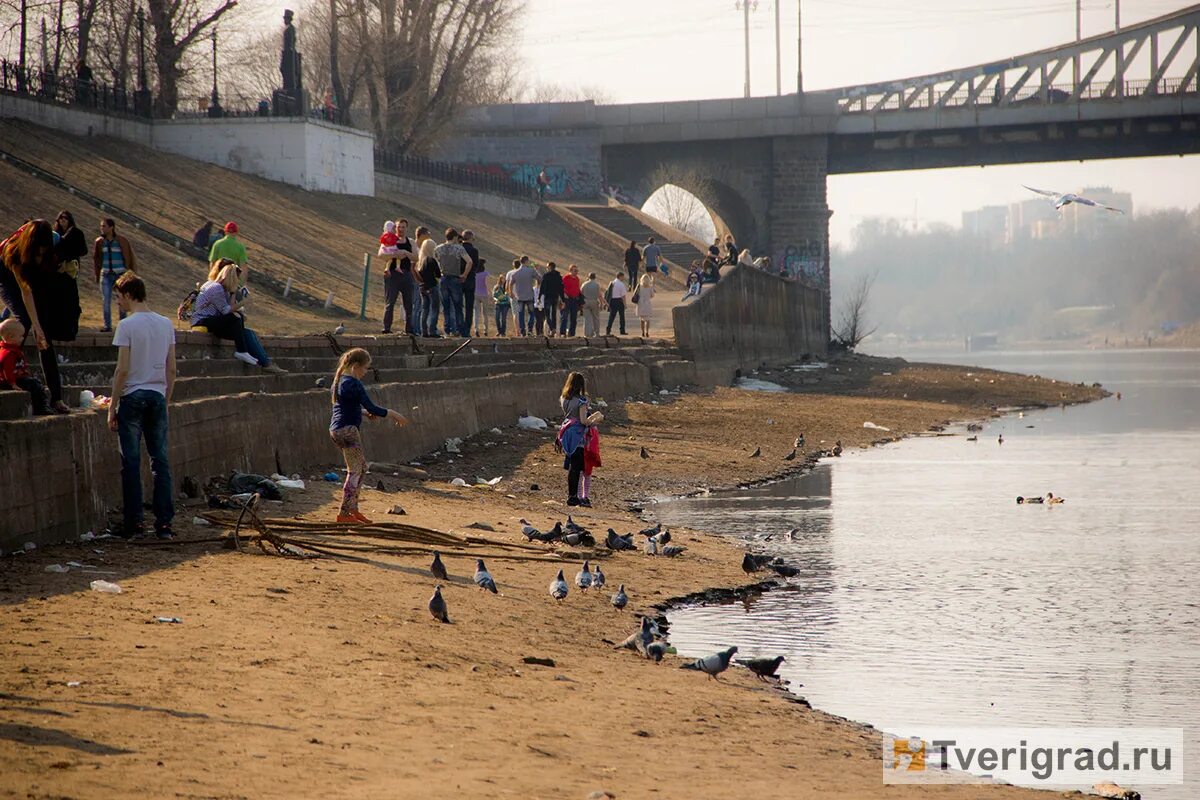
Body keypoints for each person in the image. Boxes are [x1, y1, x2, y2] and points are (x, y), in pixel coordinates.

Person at [107, 273, 176, 539]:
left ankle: (134, 523)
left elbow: (122, 369)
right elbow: (172, 369)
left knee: (132, 462)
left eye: (118, 297)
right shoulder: (165, 323)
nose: (118, 303)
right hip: (157, 395)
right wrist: (166, 401)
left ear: (126, 295)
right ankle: (164, 523)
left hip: (133, 396)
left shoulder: (127, 326)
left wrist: (112, 405)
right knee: (160, 461)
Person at [0, 219, 74, 413]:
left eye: (44, 252)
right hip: (6, 275)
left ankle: (56, 398)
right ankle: (7, 371)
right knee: (24, 321)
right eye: (38, 252)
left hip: (32, 273)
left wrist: (41, 328)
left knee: (45, 335)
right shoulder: (13, 251)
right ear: (31, 246)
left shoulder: (55, 239)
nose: (41, 255)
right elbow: (25, 292)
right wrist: (35, 325)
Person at [329, 348, 408, 525]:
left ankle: (353, 509)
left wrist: (363, 414)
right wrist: (393, 414)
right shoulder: (353, 383)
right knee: (355, 471)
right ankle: (344, 513)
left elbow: (345, 408)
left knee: (361, 468)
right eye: (365, 368)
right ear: (356, 366)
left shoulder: (338, 381)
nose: (365, 372)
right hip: (348, 431)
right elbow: (372, 407)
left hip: (337, 430)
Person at [190, 263, 285, 373]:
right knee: (236, 317)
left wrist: (233, 293)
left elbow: (228, 307)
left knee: (247, 332)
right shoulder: (216, 288)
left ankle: (266, 363)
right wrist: (242, 303)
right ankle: (242, 351)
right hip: (202, 321)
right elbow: (226, 310)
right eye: (236, 280)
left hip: (213, 321)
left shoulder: (221, 288)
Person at [557, 371, 601, 507]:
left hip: (566, 432)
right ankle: (574, 497)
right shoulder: (581, 401)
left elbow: (569, 416)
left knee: (572, 466)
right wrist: (595, 419)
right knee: (577, 467)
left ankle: (572, 495)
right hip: (578, 435)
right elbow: (583, 420)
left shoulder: (564, 399)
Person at [93, 218, 137, 332]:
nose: (102, 228)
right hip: (106, 274)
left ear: (111, 227)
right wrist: (97, 274)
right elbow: (97, 259)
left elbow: (130, 257)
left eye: (104, 226)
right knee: (106, 300)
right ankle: (107, 326)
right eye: (101, 226)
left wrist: (131, 274)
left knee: (122, 300)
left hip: (120, 274)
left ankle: (123, 326)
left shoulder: (121, 241)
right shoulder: (99, 242)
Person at [0, 318, 50, 415]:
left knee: (34, 382)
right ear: (11, 337)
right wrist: (12, 384)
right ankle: (41, 408)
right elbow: (7, 370)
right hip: (10, 381)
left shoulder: (13, 350)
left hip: (16, 379)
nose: (23, 338)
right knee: (35, 385)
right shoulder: (8, 353)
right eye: (21, 336)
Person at [435, 228, 472, 337]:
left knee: (446, 306)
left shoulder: (438, 249)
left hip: (443, 278)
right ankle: (461, 330)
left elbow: (435, 262)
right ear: (455, 237)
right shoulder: (458, 248)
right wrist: (464, 275)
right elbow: (470, 262)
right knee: (458, 306)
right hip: (455, 278)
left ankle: (448, 330)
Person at [416, 235, 442, 337]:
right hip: (432, 286)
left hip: (422, 287)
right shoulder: (432, 260)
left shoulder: (420, 261)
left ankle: (424, 331)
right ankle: (432, 330)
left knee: (425, 309)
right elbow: (438, 274)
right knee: (435, 308)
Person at [507, 256, 538, 336]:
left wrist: (510, 292)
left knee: (520, 314)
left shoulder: (515, 273)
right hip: (529, 296)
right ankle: (530, 329)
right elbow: (539, 278)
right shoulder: (531, 271)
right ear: (526, 261)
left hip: (519, 296)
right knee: (531, 313)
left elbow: (510, 283)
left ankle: (522, 331)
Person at [461, 230, 483, 337]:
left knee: (458, 305)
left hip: (459, 279)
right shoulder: (474, 250)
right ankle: (467, 330)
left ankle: (459, 327)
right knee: (469, 306)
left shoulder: (459, 248)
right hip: (470, 279)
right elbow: (475, 265)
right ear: (470, 238)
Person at [540, 261, 564, 336]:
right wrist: (563, 299)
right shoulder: (559, 276)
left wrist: (539, 297)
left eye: (547, 267)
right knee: (553, 314)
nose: (546, 269)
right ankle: (553, 329)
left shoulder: (546, 275)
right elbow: (561, 288)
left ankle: (552, 328)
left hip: (548, 297)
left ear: (550, 267)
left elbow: (542, 287)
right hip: (555, 297)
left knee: (547, 314)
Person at [559, 263, 581, 337]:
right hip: (567, 299)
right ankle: (563, 332)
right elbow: (561, 288)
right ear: (570, 270)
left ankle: (572, 333)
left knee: (574, 318)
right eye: (575, 270)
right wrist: (564, 296)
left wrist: (580, 298)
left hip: (575, 299)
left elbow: (578, 289)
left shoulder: (577, 278)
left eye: (577, 270)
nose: (576, 272)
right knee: (564, 316)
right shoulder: (566, 278)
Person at [472, 252, 490, 337]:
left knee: (476, 312)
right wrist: (489, 293)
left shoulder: (474, 274)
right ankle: (486, 330)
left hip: (475, 293)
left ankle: (476, 329)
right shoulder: (485, 274)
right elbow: (487, 284)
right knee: (485, 313)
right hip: (484, 294)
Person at [579, 271, 602, 337]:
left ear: (588, 277)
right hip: (594, 301)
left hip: (585, 301)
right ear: (595, 277)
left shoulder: (584, 284)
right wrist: (601, 303)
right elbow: (599, 295)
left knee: (587, 318)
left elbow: (580, 293)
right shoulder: (597, 284)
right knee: (596, 318)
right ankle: (596, 333)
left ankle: (587, 334)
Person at [635, 273, 656, 338]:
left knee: (641, 319)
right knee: (647, 319)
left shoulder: (639, 286)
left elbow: (635, 294)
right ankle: (647, 332)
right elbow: (652, 295)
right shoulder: (650, 287)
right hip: (647, 303)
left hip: (640, 303)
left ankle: (642, 332)